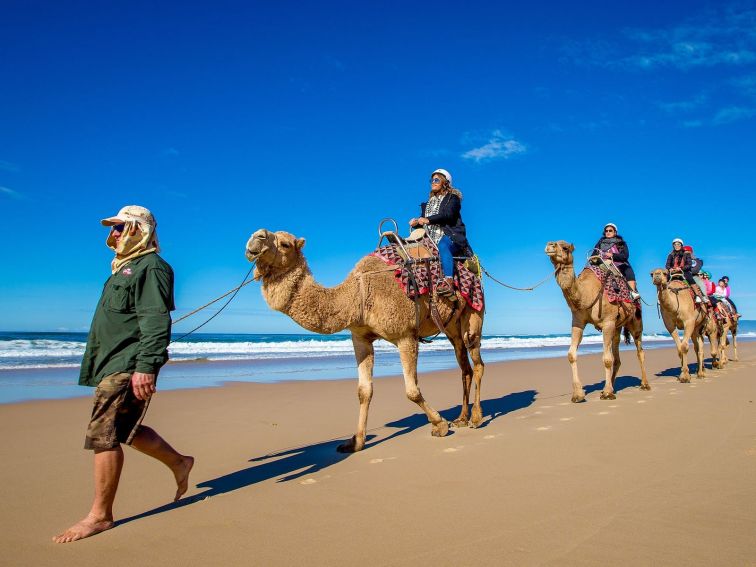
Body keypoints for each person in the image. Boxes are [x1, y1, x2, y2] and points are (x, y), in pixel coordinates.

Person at [53, 205, 194, 544]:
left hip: (128, 364)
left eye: (120, 227)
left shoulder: (152, 268)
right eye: (113, 228)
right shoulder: (122, 269)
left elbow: (155, 320)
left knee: (104, 434)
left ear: (139, 229)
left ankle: (100, 516)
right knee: (124, 429)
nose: (113, 234)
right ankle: (180, 462)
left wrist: (145, 367)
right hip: (110, 362)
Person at [409, 168, 472, 296]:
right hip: (429, 237)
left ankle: (448, 281)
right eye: (432, 180)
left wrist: (427, 219)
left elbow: (447, 215)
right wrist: (416, 223)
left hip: (449, 235)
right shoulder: (427, 204)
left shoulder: (452, 199)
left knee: (443, 245)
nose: (433, 182)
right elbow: (425, 222)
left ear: (445, 182)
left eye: (437, 179)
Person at [591, 223, 641, 300]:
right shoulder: (600, 243)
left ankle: (633, 292)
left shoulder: (621, 243)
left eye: (610, 230)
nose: (608, 232)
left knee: (628, 270)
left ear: (615, 232)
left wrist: (612, 255)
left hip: (618, 264)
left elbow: (625, 256)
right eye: (606, 231)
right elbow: (593, 254)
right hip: (602, 263)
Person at [665, 238, 706, 303]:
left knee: (690, 279)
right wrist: (670, 268)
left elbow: (689, 264)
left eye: (678, 244)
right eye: (675, 245)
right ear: (673, 246)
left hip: (683, 271)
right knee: (664, 281)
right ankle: (662, 297)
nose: (677, 246)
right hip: (673, 272)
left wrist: (681, 268)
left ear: (681, 245)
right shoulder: (670, 255)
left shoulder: (686, 254)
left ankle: (697, 295)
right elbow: (667, 264)